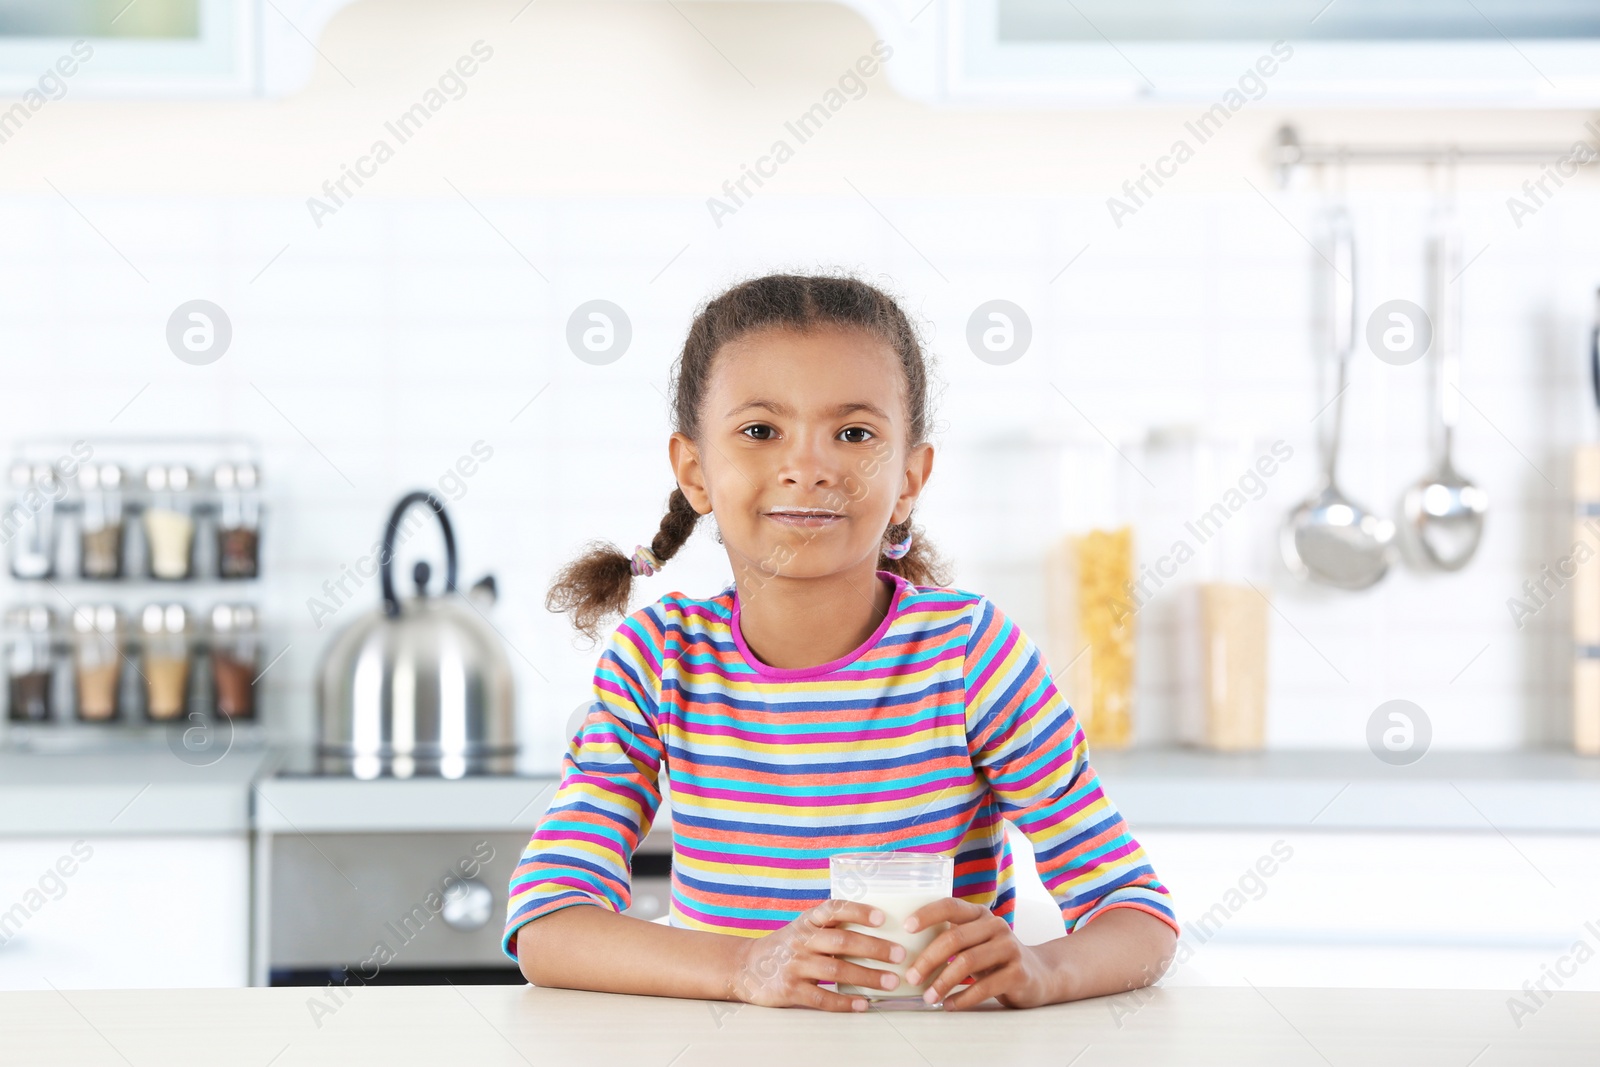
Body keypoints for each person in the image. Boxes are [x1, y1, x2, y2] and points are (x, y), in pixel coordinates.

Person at [503, 273, 1178, 1012]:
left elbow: (1135, 911)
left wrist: (1046, 970)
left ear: (909, 478)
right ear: (695, 471)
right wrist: (745, 966)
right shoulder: (659, 660)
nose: (810, 465)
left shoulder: (969, 656)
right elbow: (549, 924)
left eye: (853, 433)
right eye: (761, 431)